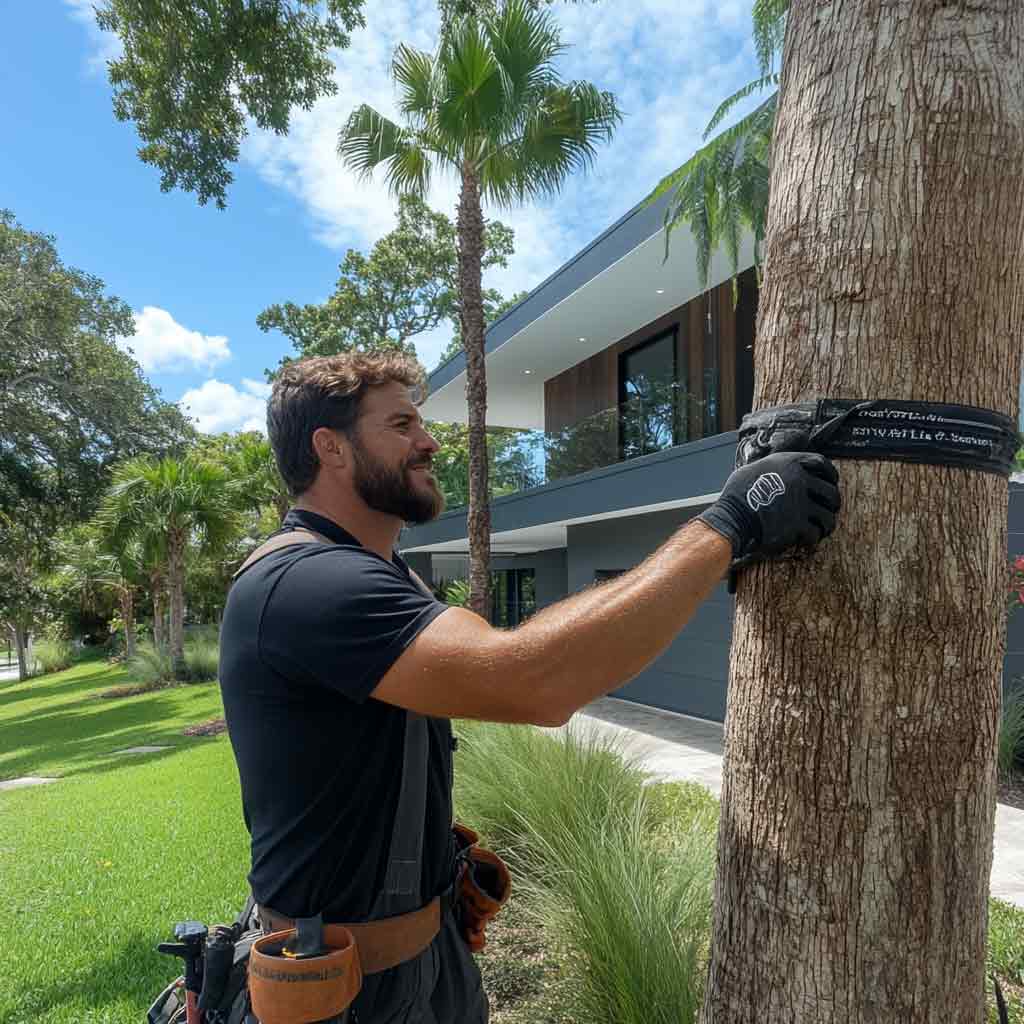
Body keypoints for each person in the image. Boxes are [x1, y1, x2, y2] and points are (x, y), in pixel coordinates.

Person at [218, 351, 841, 1024]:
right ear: (329, 447)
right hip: (345, 993)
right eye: (401, 424)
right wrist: (730, 525)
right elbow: (531, 680)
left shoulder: (383, 573)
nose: (429, 442)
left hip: (425, 961)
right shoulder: (308, 583)